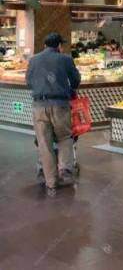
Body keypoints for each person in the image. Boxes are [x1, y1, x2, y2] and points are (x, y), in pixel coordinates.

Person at [26, 33, 81, 197]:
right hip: (60, 105)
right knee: (65, 137)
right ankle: (65, 169)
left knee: (44, 143)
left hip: (39, 106)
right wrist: (66, 88)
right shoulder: (65, 59)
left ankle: (50, 182)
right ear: (59, 46)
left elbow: (28, 82)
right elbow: (76, 81)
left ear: (45, 45)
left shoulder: (33, 60)